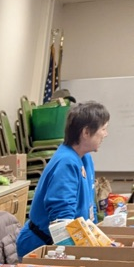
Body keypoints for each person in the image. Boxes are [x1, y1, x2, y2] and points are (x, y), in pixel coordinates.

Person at [16, 101, 109, 257]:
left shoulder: (85, 158)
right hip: (40, 246)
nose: (106, 134)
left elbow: (89, 207)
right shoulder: (66, 163)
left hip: (65, 242)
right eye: (103, 129)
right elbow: (62, 223)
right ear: (86, 132)